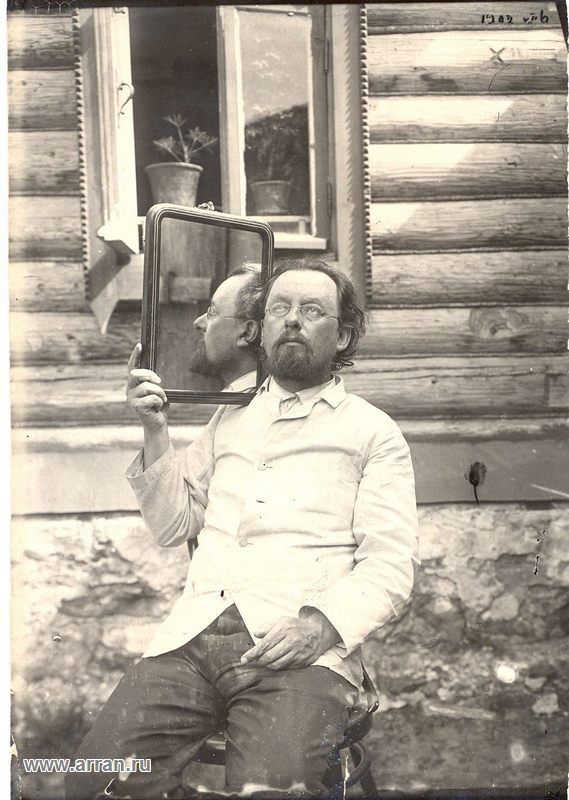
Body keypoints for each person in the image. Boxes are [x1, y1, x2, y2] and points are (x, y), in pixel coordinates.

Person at [66, 258, 419, 800]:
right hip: (194, 638)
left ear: (343, 333)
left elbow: (392, 564)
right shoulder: (230, 417)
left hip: (297, 653)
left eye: (312, 311)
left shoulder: (372, 432)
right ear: (262, 328)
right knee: (90, 784)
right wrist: (154, 430)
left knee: (268, 791)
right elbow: (173, 524)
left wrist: (320, 627)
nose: (293, 320)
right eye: (280, 308)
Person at [186, 262, 262, 391]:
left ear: (246, 333)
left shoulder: (257, 405)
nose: (198, 322)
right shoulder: (233, 396)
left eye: (213, 313)